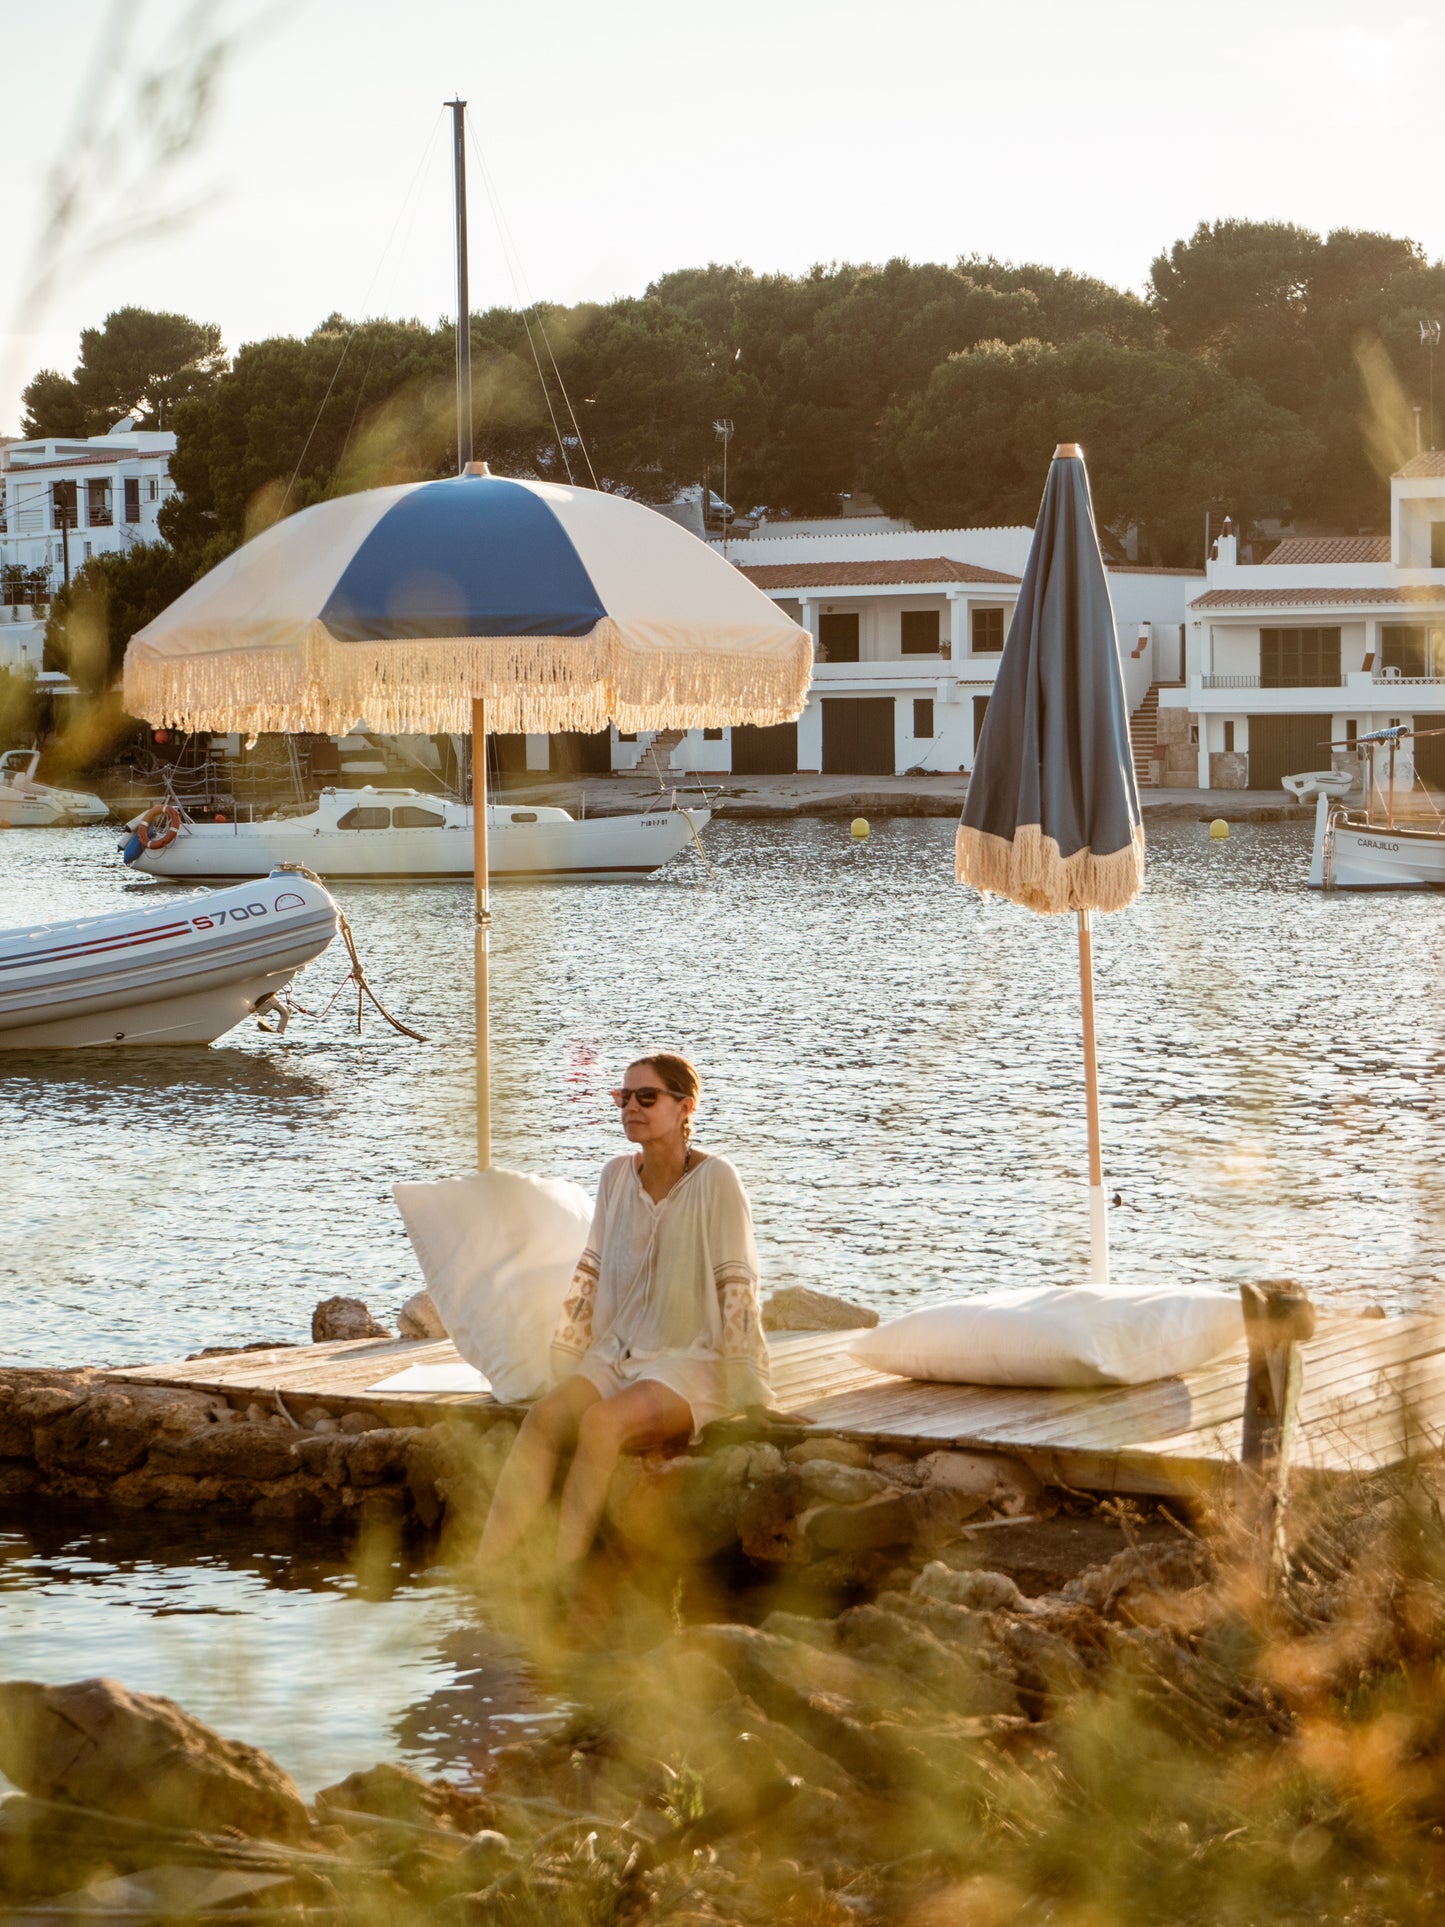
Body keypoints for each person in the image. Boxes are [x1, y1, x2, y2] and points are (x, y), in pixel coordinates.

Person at [476, 1051, 770, 1573]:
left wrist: (752, 1390)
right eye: (623, 1096)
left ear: (685, 1106)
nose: (631, 1106)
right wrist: (567, 1359)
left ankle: (559, 1574)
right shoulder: (615, 1176)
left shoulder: (717, 1179)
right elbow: (589, 1274)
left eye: (646, 1097)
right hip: (618, 1352)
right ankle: (483, 1569)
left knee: (602, 1424)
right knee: (544, 1419)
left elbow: (737, 1284)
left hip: (690, 1359)